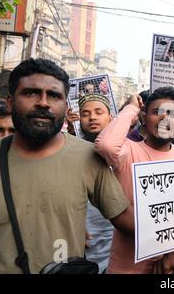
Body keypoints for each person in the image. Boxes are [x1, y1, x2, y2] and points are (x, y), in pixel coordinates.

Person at [0, 58, 135, 273]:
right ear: (10, 102)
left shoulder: (87, 156)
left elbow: (126, 221)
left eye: (54, 95)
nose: (43, 103)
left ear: (66, 107)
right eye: (31, 93)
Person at [95, 86, 174, 274]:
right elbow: (105, 145)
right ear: (144, 119)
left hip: (168, 266)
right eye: (156, 112)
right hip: (126, 268)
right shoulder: (128, 150)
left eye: (171, 114)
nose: (164, 118)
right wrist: (131, 108)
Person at [77, 93, 115, 273]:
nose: (92, 117)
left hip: (118, 243)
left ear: (111, 117)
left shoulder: (126, 152)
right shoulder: (71, 153)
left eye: (98, 112)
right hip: (84, 242)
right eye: (85, 114)